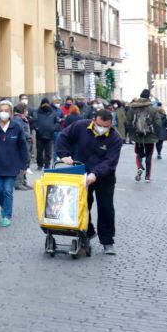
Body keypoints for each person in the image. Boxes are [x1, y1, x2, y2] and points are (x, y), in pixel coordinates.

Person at [57, 109, 122, 254]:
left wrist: (95, 174)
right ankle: (87, 232)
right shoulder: (80, 126)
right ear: (94, 120)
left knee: (106, 208)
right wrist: (64, 155)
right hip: (81, 174)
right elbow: (63, 137)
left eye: (106, 126)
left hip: (104, 177)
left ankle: (107, 241)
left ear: (111, 124)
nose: (102, 129)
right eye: (100, 125)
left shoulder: (115, 138)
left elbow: (110, 161)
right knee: (82, 206)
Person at [0, 100, 30, 227]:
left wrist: (25, 165)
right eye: (1, 111)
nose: (4, 113)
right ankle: (4, 207)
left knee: (8, 190)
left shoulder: (17, 127)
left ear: (11, 113)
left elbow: (23, 147)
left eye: (6, 111)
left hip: (12, 165)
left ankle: (7, 215)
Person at [127, 90, 163, 182]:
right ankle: (147, 177)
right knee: (149, 156)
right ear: (148, 98)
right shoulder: (153, 109)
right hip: (150, 137)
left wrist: (132, 134)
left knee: (138, 154)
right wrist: (156, 134)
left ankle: (139, 167)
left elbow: (128, 122)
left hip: (138, 136)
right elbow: (158, 123)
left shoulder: (133, 108)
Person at [32, 98, 61, 170]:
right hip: (39, 135)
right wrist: (37, 128)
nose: (45, 105)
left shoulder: (53, 112)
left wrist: (53, 128)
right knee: (39, 151)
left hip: (49, 134)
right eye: (44, 104)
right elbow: (34, 121)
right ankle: (40, 165)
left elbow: (57, 122)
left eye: (47, 104)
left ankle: (47, 165)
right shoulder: (37, 112)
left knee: (48, 151)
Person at [12, 101, 32, 190]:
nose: (26, 111)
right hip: (21, 143)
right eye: (25, 109)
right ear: (22, 110)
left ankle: (24, 181)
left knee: (25, 162)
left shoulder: (22, 118)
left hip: (26, 142)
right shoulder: (17, 119)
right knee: (21, 162)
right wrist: (28, 136)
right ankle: (18, 183)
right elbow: (20, 131)